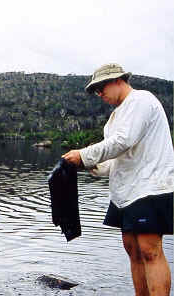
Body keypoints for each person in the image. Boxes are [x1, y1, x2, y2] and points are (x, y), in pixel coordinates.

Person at [62, 63, 174, 296]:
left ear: (117, 80)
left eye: (101, 87)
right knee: (132, 249)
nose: (99, 94)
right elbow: (118, 158)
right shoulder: (114, 119)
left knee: (149, 249)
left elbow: (122, 141)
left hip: (151, 187)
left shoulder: (141, 100)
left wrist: (83, 154)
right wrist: (91, 165)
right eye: (96, 91)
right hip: (125, 192)